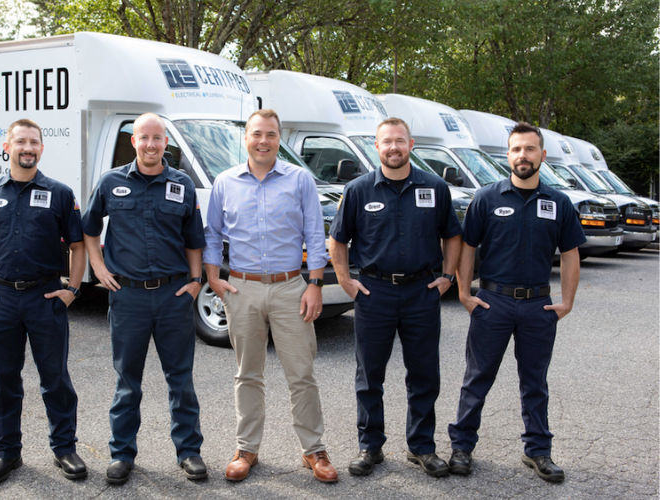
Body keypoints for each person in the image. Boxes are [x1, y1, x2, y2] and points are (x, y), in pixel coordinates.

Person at [204, 109, 339, 483]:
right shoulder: (225, 182)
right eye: (257, 134)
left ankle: (314, 450)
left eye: (271, 135)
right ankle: (246, 449)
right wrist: (214, 278)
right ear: (245, 137)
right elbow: (212, 234)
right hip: (242, 289)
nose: (263, 141)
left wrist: (315, 284)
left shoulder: (299, 180)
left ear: (279, 139)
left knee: (302, 374)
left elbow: (316, 233)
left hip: (290, 287)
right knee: (248, 374)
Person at [447, 122, 586, 483]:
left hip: (538, 306)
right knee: (477, 378)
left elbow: (571, 254)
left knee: (535, 382)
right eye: (516, 149)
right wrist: (464, 293)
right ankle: (461, 447)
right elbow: (467, 247)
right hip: (494, 302)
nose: (522, 155)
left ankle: (538, 451)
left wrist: (567, 301)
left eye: (529, 149)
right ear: (507, 155)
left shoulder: (558, 203)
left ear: (542, 154)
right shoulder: (487, 198)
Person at [0, 119, 88, 486]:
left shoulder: (59, 194)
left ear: (42, 149)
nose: (27, 148)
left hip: (45, 298)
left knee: (55, 379)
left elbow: (77, 246)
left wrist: (72, 289)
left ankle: (64, 448)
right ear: (6, 147)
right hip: (1, 299)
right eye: (21, 142)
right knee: (3, 380)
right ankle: (7, 453)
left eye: (34, 142)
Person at [329, 117, 461, 478]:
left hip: (422, 292)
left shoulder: (435, 188)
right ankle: (370, 446)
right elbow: (337, 239)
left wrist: (448, 276)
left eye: (399, 141)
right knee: (369, 375)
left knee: (424, 374)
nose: (393, 148)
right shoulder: (358, 190)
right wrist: (345, 280)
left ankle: (421, 447)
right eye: (386, 142)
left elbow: (453, 235)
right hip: (375, 292)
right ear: (377, 146)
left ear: (411, 144)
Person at [81, 113, 208, 484]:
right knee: (127, 382)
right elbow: (88, 230)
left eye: (157, 138)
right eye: (144, 137)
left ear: (165, 142)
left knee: (180, 379)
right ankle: (122, 454)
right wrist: (98, 269)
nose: (151, 144)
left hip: (173, 296)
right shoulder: (111, 182)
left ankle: (189, 452)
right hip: (129, 298)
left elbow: (193, 240)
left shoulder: (182, 184)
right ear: (133, 141)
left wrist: (196, 279)